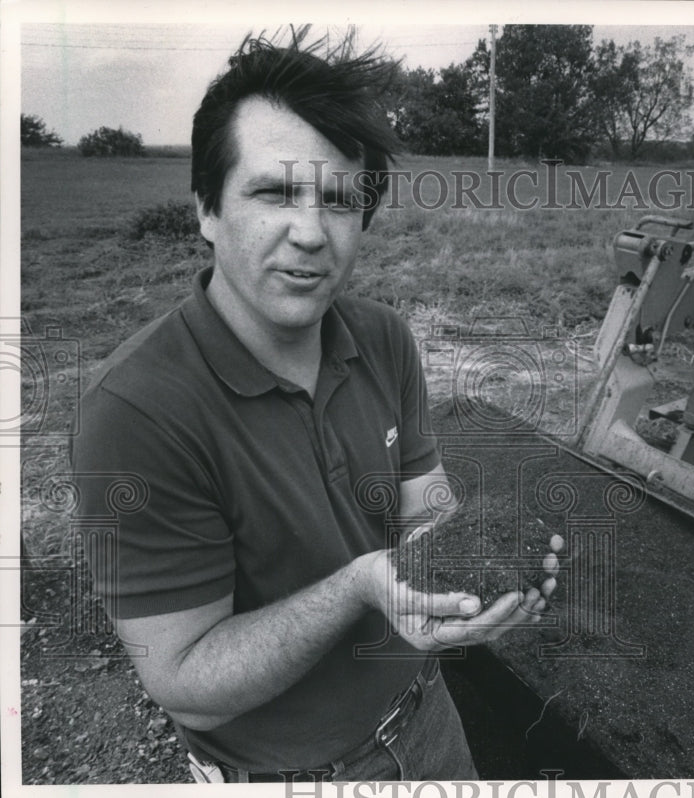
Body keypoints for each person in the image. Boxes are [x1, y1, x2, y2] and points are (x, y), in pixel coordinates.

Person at [71, 31, 560, 784]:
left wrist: (473, 566)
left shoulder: (383, 339)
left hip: (428, 718)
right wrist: (363, 585)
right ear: (206, 208)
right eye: (274, 193)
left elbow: (424, 507)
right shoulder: (136, 411)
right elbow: (186, 682)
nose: (310, 233)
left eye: (338, 201)